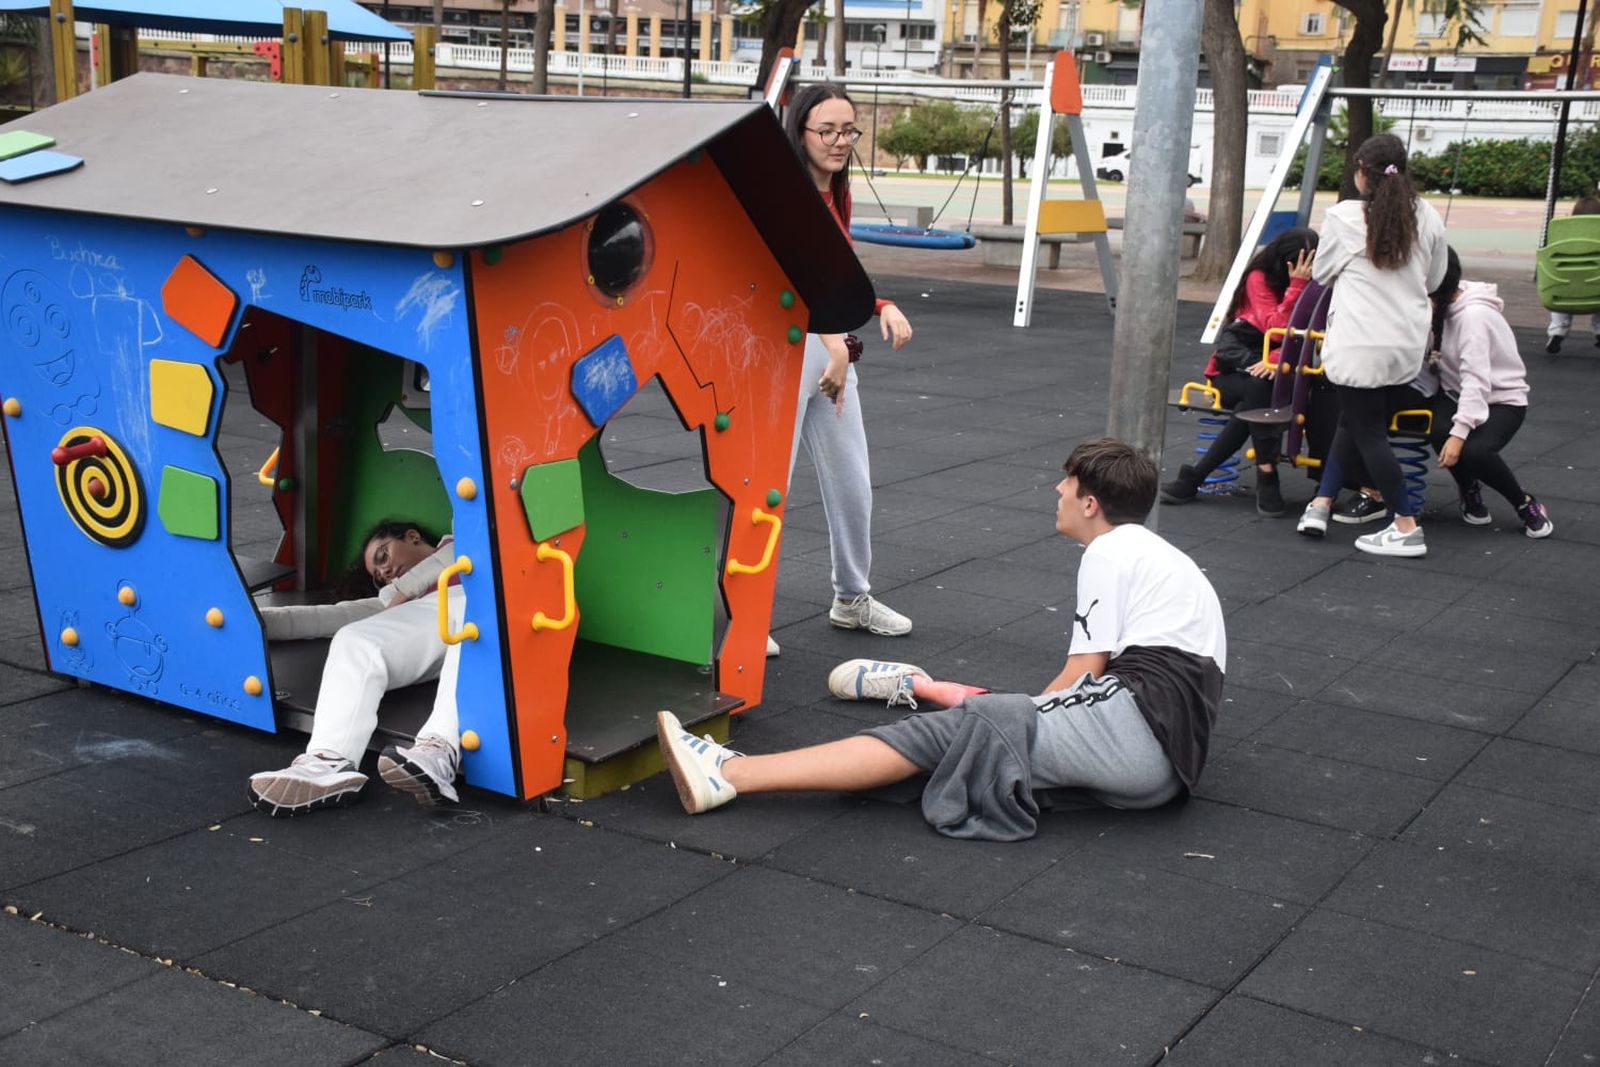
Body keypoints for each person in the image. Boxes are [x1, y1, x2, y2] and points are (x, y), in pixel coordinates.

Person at [656, 438, 1227, 842]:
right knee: (988, 730)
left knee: (953, 736)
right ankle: (932, 689)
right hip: (1159, 760)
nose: (1057, 488)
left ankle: (729, 774)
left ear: (1090, 503)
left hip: (1138, 741)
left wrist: (997, 719)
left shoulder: (1111, 549)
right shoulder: (1157, 555)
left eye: (1068, 482)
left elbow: (1083, 672)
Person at [770, 83, 915, 655]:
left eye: (848, 130)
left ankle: (852, 597)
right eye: (825, 130)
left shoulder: (838, 194)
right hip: (785, 350)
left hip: (826, 348)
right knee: (767, 493)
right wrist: (833, 343)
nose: (838, 141)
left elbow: (837, 273)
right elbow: (792, 280)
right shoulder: (786, 196)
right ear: (801, 131)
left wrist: (879, 305)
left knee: (853, 480)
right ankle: (742, 615)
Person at [1294, 134, 1449, 557]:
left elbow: (1323, 274)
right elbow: (1434, 280)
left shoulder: (1346, 217)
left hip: (1360, 341)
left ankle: (1405, 525)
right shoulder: (1428, 215)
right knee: (1356, 418)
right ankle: (1321, 503)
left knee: (1367, 429)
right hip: (1406, 343)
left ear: (1362, 170)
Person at [248, 521, 466, 817]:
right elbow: (333, 616)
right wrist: (251, 619)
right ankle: (328, 760)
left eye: (383, 557)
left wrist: (402, 590)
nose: (385, 573)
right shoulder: (396, 598)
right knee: (355, 639)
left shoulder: (457, 545)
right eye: (378, 575)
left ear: (412, 537)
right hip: (432, 612)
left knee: (474, 631)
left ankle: (439, 749)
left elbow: (458, 553)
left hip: (486, 598)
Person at [1161, 227, 1319, 516]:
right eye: (1298, 264)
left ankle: (1194, 477)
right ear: (1283, 261)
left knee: (1255, 397)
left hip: (1274, 374)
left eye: (1310, 263)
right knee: (1258, 388)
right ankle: (1266, 471)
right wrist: (1296, 287)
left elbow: (1307, 332)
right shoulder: (1258, 279)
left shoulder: (1313, 285)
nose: (1304, 271)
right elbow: (1273, 324)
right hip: (1232, 373)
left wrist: (1274, 358)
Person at [1427, 247, 1554, 537]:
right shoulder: (1433, 308)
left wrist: (1459, 435)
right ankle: (1469, 487)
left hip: (1502, 399)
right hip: (1455, 392)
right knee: (1436, 430)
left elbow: (1477, 381)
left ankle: (1524, 503)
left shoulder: (1474, 318)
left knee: (1475, 450)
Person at [1546, 195, 1600, 354]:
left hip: (1566, 283)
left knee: (1558, 290)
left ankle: (1558, 330)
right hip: (1596, 286)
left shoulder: (1561, 231)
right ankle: (1599, 330)